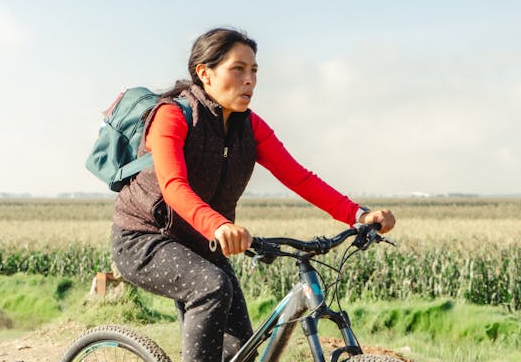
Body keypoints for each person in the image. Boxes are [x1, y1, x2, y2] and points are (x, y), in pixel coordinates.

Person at [111, 27, 396, 362]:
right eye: (238, 69)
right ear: (205, 73)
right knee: (212, 286)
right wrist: (218, 226)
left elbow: (299, 178)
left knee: (240, 353)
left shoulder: (250, 127)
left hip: (204, 242)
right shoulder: (172, 115)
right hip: (144, 238)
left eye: (254, 70)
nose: (250, 80)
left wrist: (359, 214)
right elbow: (174, 186)